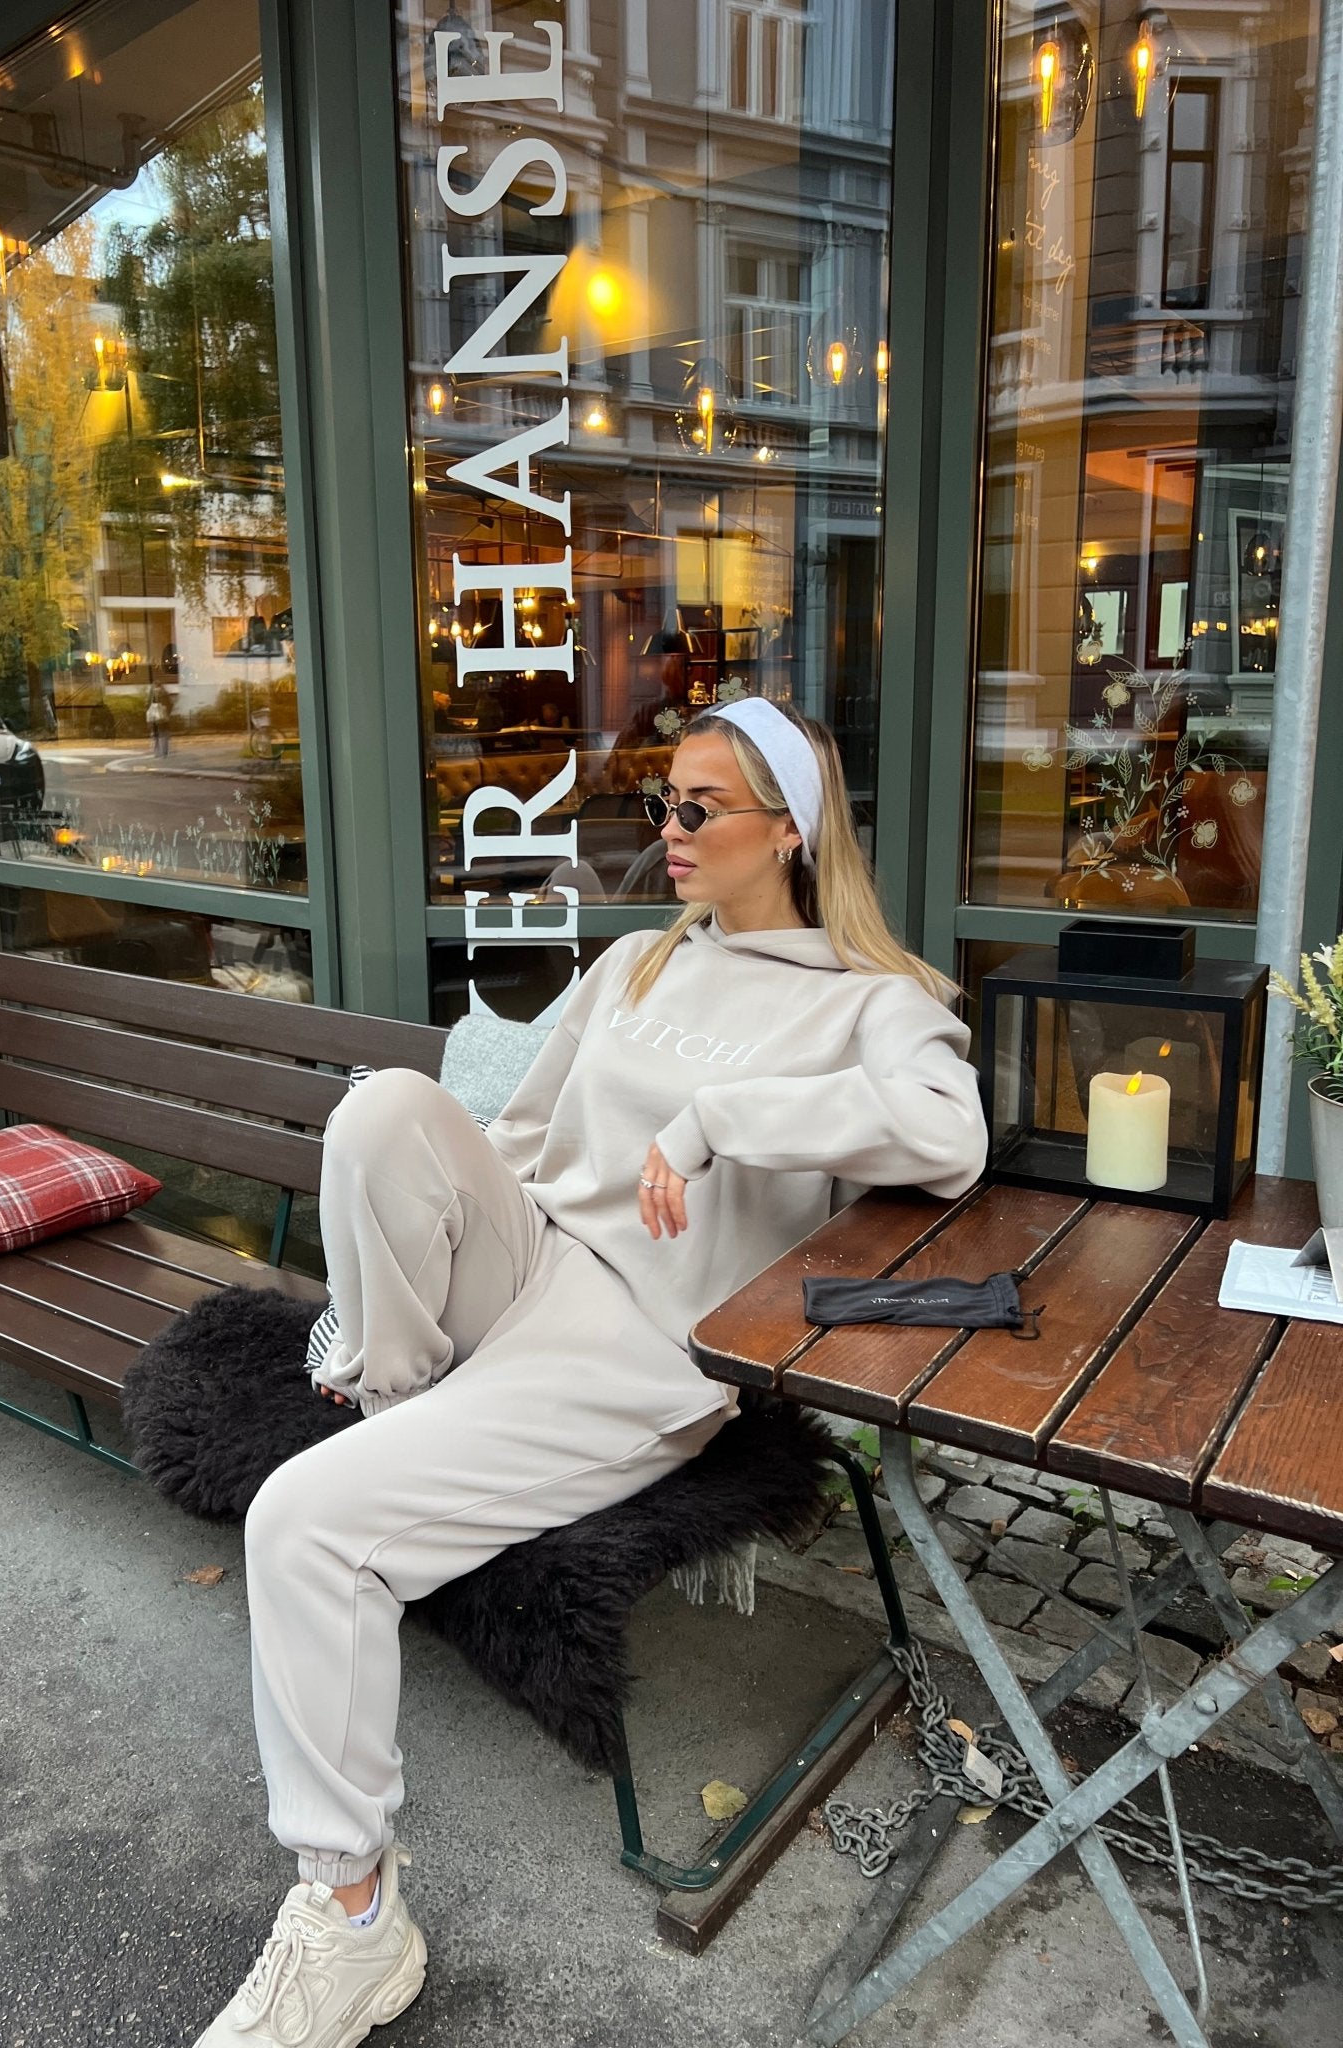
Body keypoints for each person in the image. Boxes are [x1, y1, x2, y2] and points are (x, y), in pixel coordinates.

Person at [195, 699, 988, 2048]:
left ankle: (353, 1918)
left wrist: (720, 1116)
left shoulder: (875, 1003)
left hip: (637, 1342)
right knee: (382, 1106)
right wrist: (428, 1247)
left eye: (699, 808)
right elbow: (510, 1140)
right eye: (663, 802)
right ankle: (394, 1382)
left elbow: (948, 1135)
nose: (667, 830)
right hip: (525, 1267)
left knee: (301, 1524)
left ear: (788, 831)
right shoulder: (637, 962)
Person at [146, 684, 170, 759]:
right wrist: (167, 712)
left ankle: (156, 753)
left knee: (155, 736)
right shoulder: (164, 694)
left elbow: (147, 705)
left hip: (153, 719)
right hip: (163, 719)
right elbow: (170, 704)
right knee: (163, 735)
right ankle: (164, 753)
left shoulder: (151, 695)